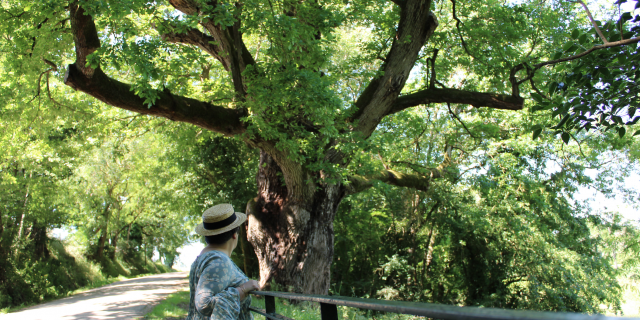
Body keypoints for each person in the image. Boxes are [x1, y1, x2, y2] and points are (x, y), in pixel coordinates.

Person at [186, 203, 260, 320]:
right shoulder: (219, 261)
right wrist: (242, 290)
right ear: (234, 234)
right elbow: (204, 304)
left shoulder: (203, 259)